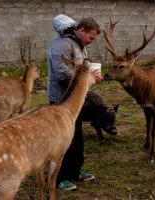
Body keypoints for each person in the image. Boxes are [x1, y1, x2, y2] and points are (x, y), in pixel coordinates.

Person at [47, 14, 102, 190]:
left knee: (76, 138)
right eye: (91, 37)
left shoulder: (79, 44)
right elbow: (61, 74)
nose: (92, 41)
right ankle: (61, 177)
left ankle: (75, 171)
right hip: (60, 101)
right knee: (62, 141)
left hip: (74, 101)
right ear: (80, 31)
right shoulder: (61, 44)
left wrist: (92, 77)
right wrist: (87, 78)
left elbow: (81, 70)